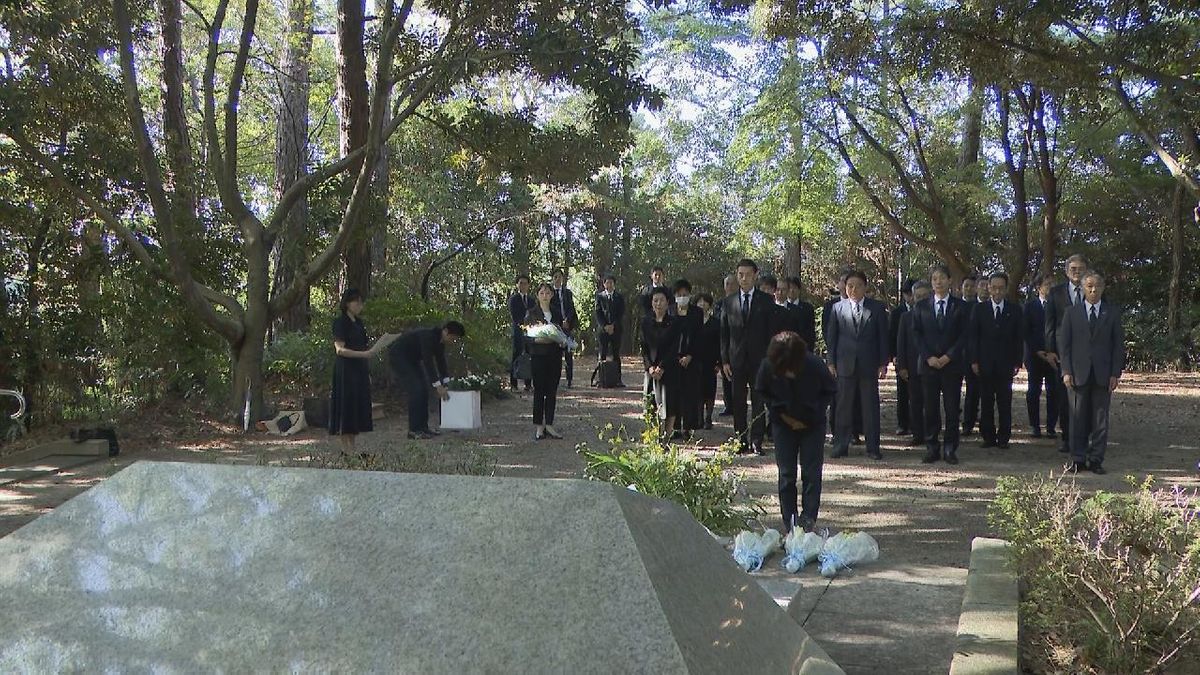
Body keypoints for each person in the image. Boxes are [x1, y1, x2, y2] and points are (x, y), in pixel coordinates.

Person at [755, 332, 837, 534]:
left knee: (811, 472)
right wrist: (780, 413)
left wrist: (814, 414)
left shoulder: (814, 364)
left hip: (812, 425)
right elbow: (761, 390)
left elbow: (831, 390)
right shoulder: (768, 365)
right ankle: (790, 521)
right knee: (786, 473)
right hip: (783, 424)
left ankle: (808, 518)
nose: (789, 374)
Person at [1059, 271, 1124, 474]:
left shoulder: (1111, 313)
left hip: (1103, 375)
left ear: (1103, 288)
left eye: (1097, 286)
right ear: (1083, 288)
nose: (1093, 290)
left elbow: (1118, 346)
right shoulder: (1072, 313)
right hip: (1078, 373)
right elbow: (1065, 345)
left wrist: (1115, 373)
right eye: (1089, 286)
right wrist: (1066, 371)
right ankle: (1077, 458)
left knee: (1100, 419)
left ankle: (1096, 459)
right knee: (1077, 417)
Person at [826, 270, 890, 460]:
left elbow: (883, 338)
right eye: (850, 286)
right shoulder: (837, 308)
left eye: (858, 285)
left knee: (870, 407)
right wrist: (831, 361)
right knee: (843, 407)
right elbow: (832, 338)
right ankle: (841, 445)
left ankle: (873, 447)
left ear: (865, 287)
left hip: (868, 364)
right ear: (845, 288)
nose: (854, 289)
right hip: (844, 364)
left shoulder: (876, 308)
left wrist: (883, 363)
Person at [912, 264, 969, 464]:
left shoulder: (961, 306)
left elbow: (964, 335)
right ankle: (932, 447)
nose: (938, 282)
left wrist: (948, 356)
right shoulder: (921, 306)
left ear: (949, 280)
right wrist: (929, 357)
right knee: (930, 408)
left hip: (951, 365)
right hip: (928, 365)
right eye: (934, 279)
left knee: (952, 409)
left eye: (942, 278)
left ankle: (950, 448)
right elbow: (917, 335)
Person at [720, 258, 778, 455]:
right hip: (736, 360)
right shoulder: (729, 302)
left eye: (747, 275)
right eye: (740, 275)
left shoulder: (766, 301)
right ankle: (740, 439)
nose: (743, 279)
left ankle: (756, 440)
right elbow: (724, 334)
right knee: (738, 401)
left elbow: (773, 333)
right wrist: (725, 360)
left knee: (759, 400)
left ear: (755, 275)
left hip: (760, 360)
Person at [329, 289, 397, 453]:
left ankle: (353, 448)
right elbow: (340, 350)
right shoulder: (340, 322)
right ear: (347, 303)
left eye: (361, 302)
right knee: (346, 407)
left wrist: (366, 371)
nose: (360, 305)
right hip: (345, 370)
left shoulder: (359, 323)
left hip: (359, 369)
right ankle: (345, 449)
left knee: (355, 408)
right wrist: (363, 355)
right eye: (356, 302)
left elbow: (363, 346)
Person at [968, 273, 1024, 449]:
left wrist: (1017, 362)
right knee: (986, 401)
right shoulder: (979, 309)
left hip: (1006, 363)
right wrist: (974, 360)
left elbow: (1018, 338)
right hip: (984, 363)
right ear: (989, 288)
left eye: (1001, 287)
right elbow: (973, 337)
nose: (997, 291)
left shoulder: (1015, 310)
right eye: (994, 287)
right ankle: (988, 437)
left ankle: (1004, 437)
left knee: (1004, 402)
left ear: (1006, 289)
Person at [1043, 254, 1089, 454]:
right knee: (1063, 397)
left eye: (1080, 268)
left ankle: (1083, 437)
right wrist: (1050, 351)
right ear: (1066, 271)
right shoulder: (1055, 293)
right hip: (1062, 352)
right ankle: (1066, 437)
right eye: (1073, 269)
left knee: (1085, 396)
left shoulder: (1092, 289)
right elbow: (1049, 325)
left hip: (1086, 351)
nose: (1076, 272)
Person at [389, 321, 465, 439]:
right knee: (416, 390)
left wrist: (446, 383)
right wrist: (438, 386)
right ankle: (413, 430)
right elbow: (428, 362)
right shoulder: (428, 336)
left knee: (424, 389)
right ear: (445, 331)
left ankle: (423, 428)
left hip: (412, 360)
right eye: (453, 338)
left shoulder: (440, 343)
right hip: (399, 357)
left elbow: (441, 363)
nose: (453, 341)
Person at [525, 283, 566, 440]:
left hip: (554, 356)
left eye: (547, 293)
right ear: (538, 295)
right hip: (538, 356)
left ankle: (549, 423)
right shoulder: (532, 313)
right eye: (542, 293)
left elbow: (562, 332)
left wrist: (562, 340)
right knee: (539, 391)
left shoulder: (556, 312)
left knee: (551, 391)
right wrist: (539, 339)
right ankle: (539, 426)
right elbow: (528, 337)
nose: (545, 296)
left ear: (551, 295)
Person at [642, 288, 680, 444]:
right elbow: (643, 347)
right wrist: (650, 367)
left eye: (661, 300)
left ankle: (667, 437)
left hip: (668, 369)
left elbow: (674, 347)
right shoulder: (646, 322)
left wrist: (662, 367)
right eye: (655, 300)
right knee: (651, 404)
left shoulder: (674, 323)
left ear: (667, 302)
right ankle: (655, 436)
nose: (658, 304)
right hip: (650, 370)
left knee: (669, 403)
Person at [896, 280, 931, 448]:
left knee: (930, 402)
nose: (922, 299)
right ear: (913, 298)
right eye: (918, 296)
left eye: (925, 296)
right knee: (915, 402)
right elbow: (900, 343)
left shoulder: (936, 315)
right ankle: (918, 434)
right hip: (911, 366)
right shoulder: (906, 317)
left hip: (932, 366)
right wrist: (901, 366)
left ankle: (931, 433)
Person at [1023, 274, 1058, 438]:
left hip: (1054, 356)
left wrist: (1052, 352)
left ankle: (1051, 427)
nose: (1050, 287)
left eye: (1052, 284)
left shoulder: (1059, 306)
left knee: (1054, 392)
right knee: (1033, 392)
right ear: (1039, 288)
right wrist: (1038, 351)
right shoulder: (1029, 307)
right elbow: (1026, 332)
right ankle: (1034, 426)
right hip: (1034, 356)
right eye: (1047, 284)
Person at [888, 278, 915, 437]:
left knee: (917, 393)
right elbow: (892, 335)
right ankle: (902, 423)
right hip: (901, 356)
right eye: (908, 294)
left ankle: (915, 423)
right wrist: (894, 356)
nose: (911, 297)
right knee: (902, 393)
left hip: (917, 357)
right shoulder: (897, 312)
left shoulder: (923, 308)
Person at [695, 292, 722, 429]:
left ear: (709, 305)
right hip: (696, 361)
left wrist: (719, 363)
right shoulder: (692, 322)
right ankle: (698, 418)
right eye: (699, 301)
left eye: (705, 302)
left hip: (711, 362)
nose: (702, 304)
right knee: (698, 391)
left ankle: (708, 418)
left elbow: (720, 343)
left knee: (710, 391)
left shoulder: (716, 322)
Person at [960, 274, 981, 437]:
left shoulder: (979, 307)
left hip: (972, 355)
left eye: (971, 286)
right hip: (953, 355)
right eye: (966, 285)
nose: (969, 289)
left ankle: (969, 423)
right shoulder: (955, 304)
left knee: (973, 391)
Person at [551, 269, 579, 388]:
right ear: (553, 278)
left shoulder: (567, 293)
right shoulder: (550, 293)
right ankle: (554, 379)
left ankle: (569, 380)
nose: (558, 279)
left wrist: (567, 320)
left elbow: (571, 308)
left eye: (560, 277)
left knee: (568, 354)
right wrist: (559, 322)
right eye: (555, 277)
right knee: (555, 355)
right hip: (555, 327)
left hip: (567, 326)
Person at [595, 274, 626, 384]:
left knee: (616, 354)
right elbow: (598, 313)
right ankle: (601, 378)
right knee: (602, 354)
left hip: (616, 329)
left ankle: (618, 379)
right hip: (603, 330)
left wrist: (613, 325)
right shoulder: (600, 296)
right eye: (607, 282)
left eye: (611, 282)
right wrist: (605, 326)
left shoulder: (619, 297)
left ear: (614, 284)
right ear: (604, 284)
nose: (609, 285)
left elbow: (621, 313)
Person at [508, 275, 535, 391]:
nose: (523, 285)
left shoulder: (532, 300)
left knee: (529, 356)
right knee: (516, 355)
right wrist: (523, 325)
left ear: (528, 285)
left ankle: (528, 383)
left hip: (530, 332)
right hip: (518, 331)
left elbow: (535, 314)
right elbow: (515, 316)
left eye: (525, 283)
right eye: (520, 283)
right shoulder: (513, 299)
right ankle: (513, 384)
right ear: (517, 285)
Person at [716, 274, 738, 416]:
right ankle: (728, 405)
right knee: (726, 377)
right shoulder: (720, 303)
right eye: (726, 284)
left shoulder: (740, 301)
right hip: (723, 344)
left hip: (738, 345)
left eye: (731, 283)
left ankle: (738, 405)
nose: (729, 286)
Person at [783, 276, 818, 349]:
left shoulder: (807, 308)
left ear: (799, 290)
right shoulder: (782, 307)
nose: (792, 291)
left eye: (794, 288)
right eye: (789, 288)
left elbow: (811, 332)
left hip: (803, 348)